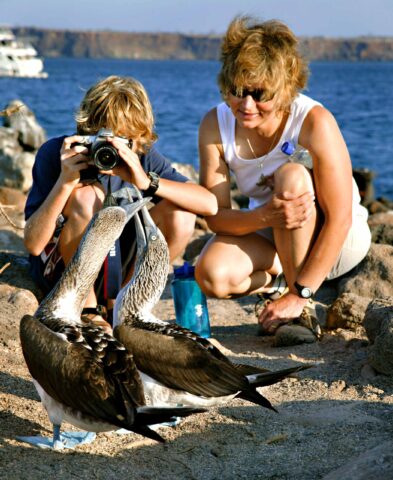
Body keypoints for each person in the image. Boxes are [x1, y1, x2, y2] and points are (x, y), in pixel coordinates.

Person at [195, 16, 371, 344]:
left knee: (290, 175)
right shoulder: (214, 125)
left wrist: (300, 294)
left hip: (338, 241)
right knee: (211, 273)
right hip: (276, 230)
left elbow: (341, 218)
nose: (246, 105)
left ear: (285, 89)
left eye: (259, 93)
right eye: (237, 91)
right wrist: (264, 216)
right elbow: (215, 218)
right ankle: (282, 276)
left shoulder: (315, 121)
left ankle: (301, 305)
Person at [24, 75, 217, 332]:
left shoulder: (141, 157)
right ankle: (88, 309)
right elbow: (34, 244)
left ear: (138, 140)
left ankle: (124, 305)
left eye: (122, 142)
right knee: (86, 197)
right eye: (101, 139)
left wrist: (146, 180)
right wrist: (65, 182)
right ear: (86, 132)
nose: (110, 151)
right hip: (64, 271)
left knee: (181, 215)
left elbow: (210, 205)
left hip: (115, 268)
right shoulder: (58, 153)